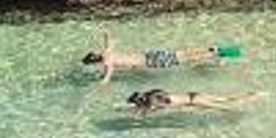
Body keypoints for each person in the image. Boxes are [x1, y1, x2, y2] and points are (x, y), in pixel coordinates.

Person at [81, 32, 241, 83]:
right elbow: (110, 40)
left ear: (95, 62)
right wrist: (106, 33)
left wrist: (99, 83)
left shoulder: (107, 62)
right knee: (182, 54)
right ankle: (212, 49)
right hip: (151, 54)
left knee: (184, 60)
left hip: (151, 62)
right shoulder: (107, 53)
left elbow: (107, 78)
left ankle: (217, 53)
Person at [126, 89, 263, 114]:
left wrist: (139, 111)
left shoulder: (152, 102)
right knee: (226, 98)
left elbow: (150, 111)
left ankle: (244, 110)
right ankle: (255, 95)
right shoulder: (154, 93)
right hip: (194, 94)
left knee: (223, 108)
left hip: (195, 101)